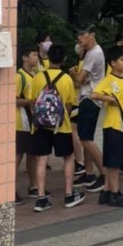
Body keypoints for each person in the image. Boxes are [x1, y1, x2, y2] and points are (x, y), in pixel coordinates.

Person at [27, 43, 84, 213]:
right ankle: (69, 194)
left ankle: (41, 198)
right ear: (64, 59)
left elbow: (32, 102)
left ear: (48, 57)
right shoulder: (66, 79)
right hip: (62, 126)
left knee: (42, 159)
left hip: (40, 126)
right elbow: (69, 104)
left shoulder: (38, 77)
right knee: (68, 158)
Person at [93, 47, 123, 208]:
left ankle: (106, 191)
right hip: (113, 125)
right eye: (122, 60)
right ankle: (115, 193)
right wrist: (109, 99)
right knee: (113, 163)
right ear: (112, 63)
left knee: (117, 160)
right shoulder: (109, 80)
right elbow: (94, 94)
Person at [71, 27, 106, 190]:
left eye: (82, 34)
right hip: (88, 96)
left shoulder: (94, 53)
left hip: (91, 98)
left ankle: (105, 174)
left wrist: (73, 73)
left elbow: (79, 80)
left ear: (92, 35)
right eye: (78, 35)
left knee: (85, 138)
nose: (79, 38)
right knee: (86, 136)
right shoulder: (91, 52)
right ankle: (89, 173)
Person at [15, 42, 39, 203]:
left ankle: (34, 186)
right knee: (18, 155)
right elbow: (13, 99)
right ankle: (11, 190)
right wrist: (30, 101)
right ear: (24, 57)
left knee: (33, 154)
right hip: (21, 122)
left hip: (33, 122)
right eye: (34, 55)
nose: (36, 58)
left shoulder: (35, 75)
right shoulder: (19, 76)